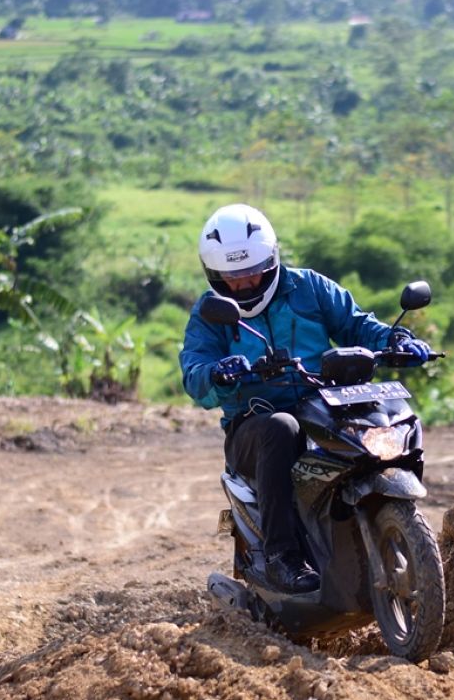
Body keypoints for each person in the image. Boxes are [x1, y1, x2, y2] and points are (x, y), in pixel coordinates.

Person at [180, 204, 431, 594]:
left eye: (253, 274)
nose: (245, 286)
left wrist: (395, 339)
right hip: (255, 425)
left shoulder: (309, 287)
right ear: (214, 277)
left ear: (271, 260)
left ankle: (384, 530)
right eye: (232, 280)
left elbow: (357, 325)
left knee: (384, 417)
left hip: (324, 406)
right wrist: (217, 372)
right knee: (283, 428)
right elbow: (194, 373)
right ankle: (284, 558)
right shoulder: (210, 314)